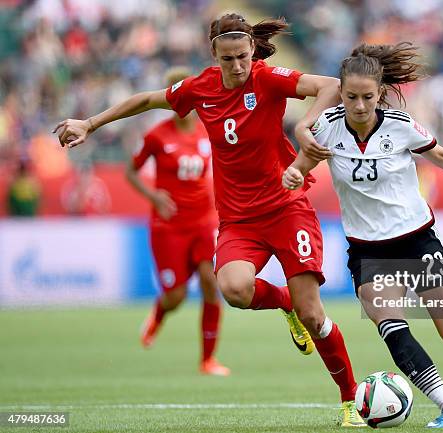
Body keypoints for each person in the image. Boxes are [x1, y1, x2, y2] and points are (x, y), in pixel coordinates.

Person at [54, 13, 365, 427]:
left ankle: (349, 401)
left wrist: (307, 123)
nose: (236, 67)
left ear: (253, 51)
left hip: (288, 208)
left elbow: (330, 86)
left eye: (242, 57)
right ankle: (284, 303)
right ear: (213, 55)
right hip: (238, 220)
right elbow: (148, 99)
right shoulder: (200, 87)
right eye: (227, 59)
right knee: (233, 289)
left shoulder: (268, 79)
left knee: (314, 315)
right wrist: (90, 123)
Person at [283, 42, 443, 429]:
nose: (360, 105)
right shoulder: (328, 127)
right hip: (367, 251)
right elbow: (302, 166)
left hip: (416, 241)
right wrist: (294, 174)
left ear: (380, 93)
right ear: (342, 93)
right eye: (351, 96)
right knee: (392, 329)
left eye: (368, 97)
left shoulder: (399, 126)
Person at [125, 67, 229, 376]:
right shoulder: (156, 136)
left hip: (204, 221)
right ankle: (158, 316)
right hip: (168, 224)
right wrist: (153, 196)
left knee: (212, 283)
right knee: (176, 296)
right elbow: (130, 171)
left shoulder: (208, 130)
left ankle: (208, 360)